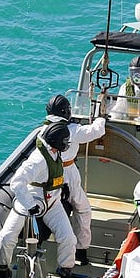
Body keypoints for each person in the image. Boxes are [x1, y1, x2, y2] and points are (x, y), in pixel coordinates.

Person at [0, 121, 77, 278]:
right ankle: (3, 268)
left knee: (68, 238)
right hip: (30, 202)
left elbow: (55, 175)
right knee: (7, 236)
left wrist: (63, 187)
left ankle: (65, 270)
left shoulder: (55, 154)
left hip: (52, 203)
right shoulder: (37, 161)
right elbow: (17, 182)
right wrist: (30, 205)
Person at [45, 94, 106, 265]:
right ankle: (81, 249)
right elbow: (96, 131)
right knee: (83, 208)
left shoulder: (43, 129)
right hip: (67, 172)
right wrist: (100, 118)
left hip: (47, 172)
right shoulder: (71, 130)